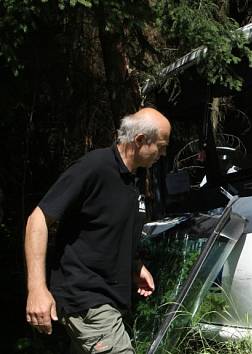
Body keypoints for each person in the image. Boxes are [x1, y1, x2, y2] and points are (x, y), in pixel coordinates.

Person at [24, 108, 171, 353]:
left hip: (107, 299)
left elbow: (105, 233)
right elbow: (37, 220)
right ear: (140, 140)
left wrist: (135, 266)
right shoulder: (95, 167)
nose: (163, 153)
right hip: (86, 298)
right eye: (161, 146)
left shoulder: (130, 180)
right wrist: (37, 288)